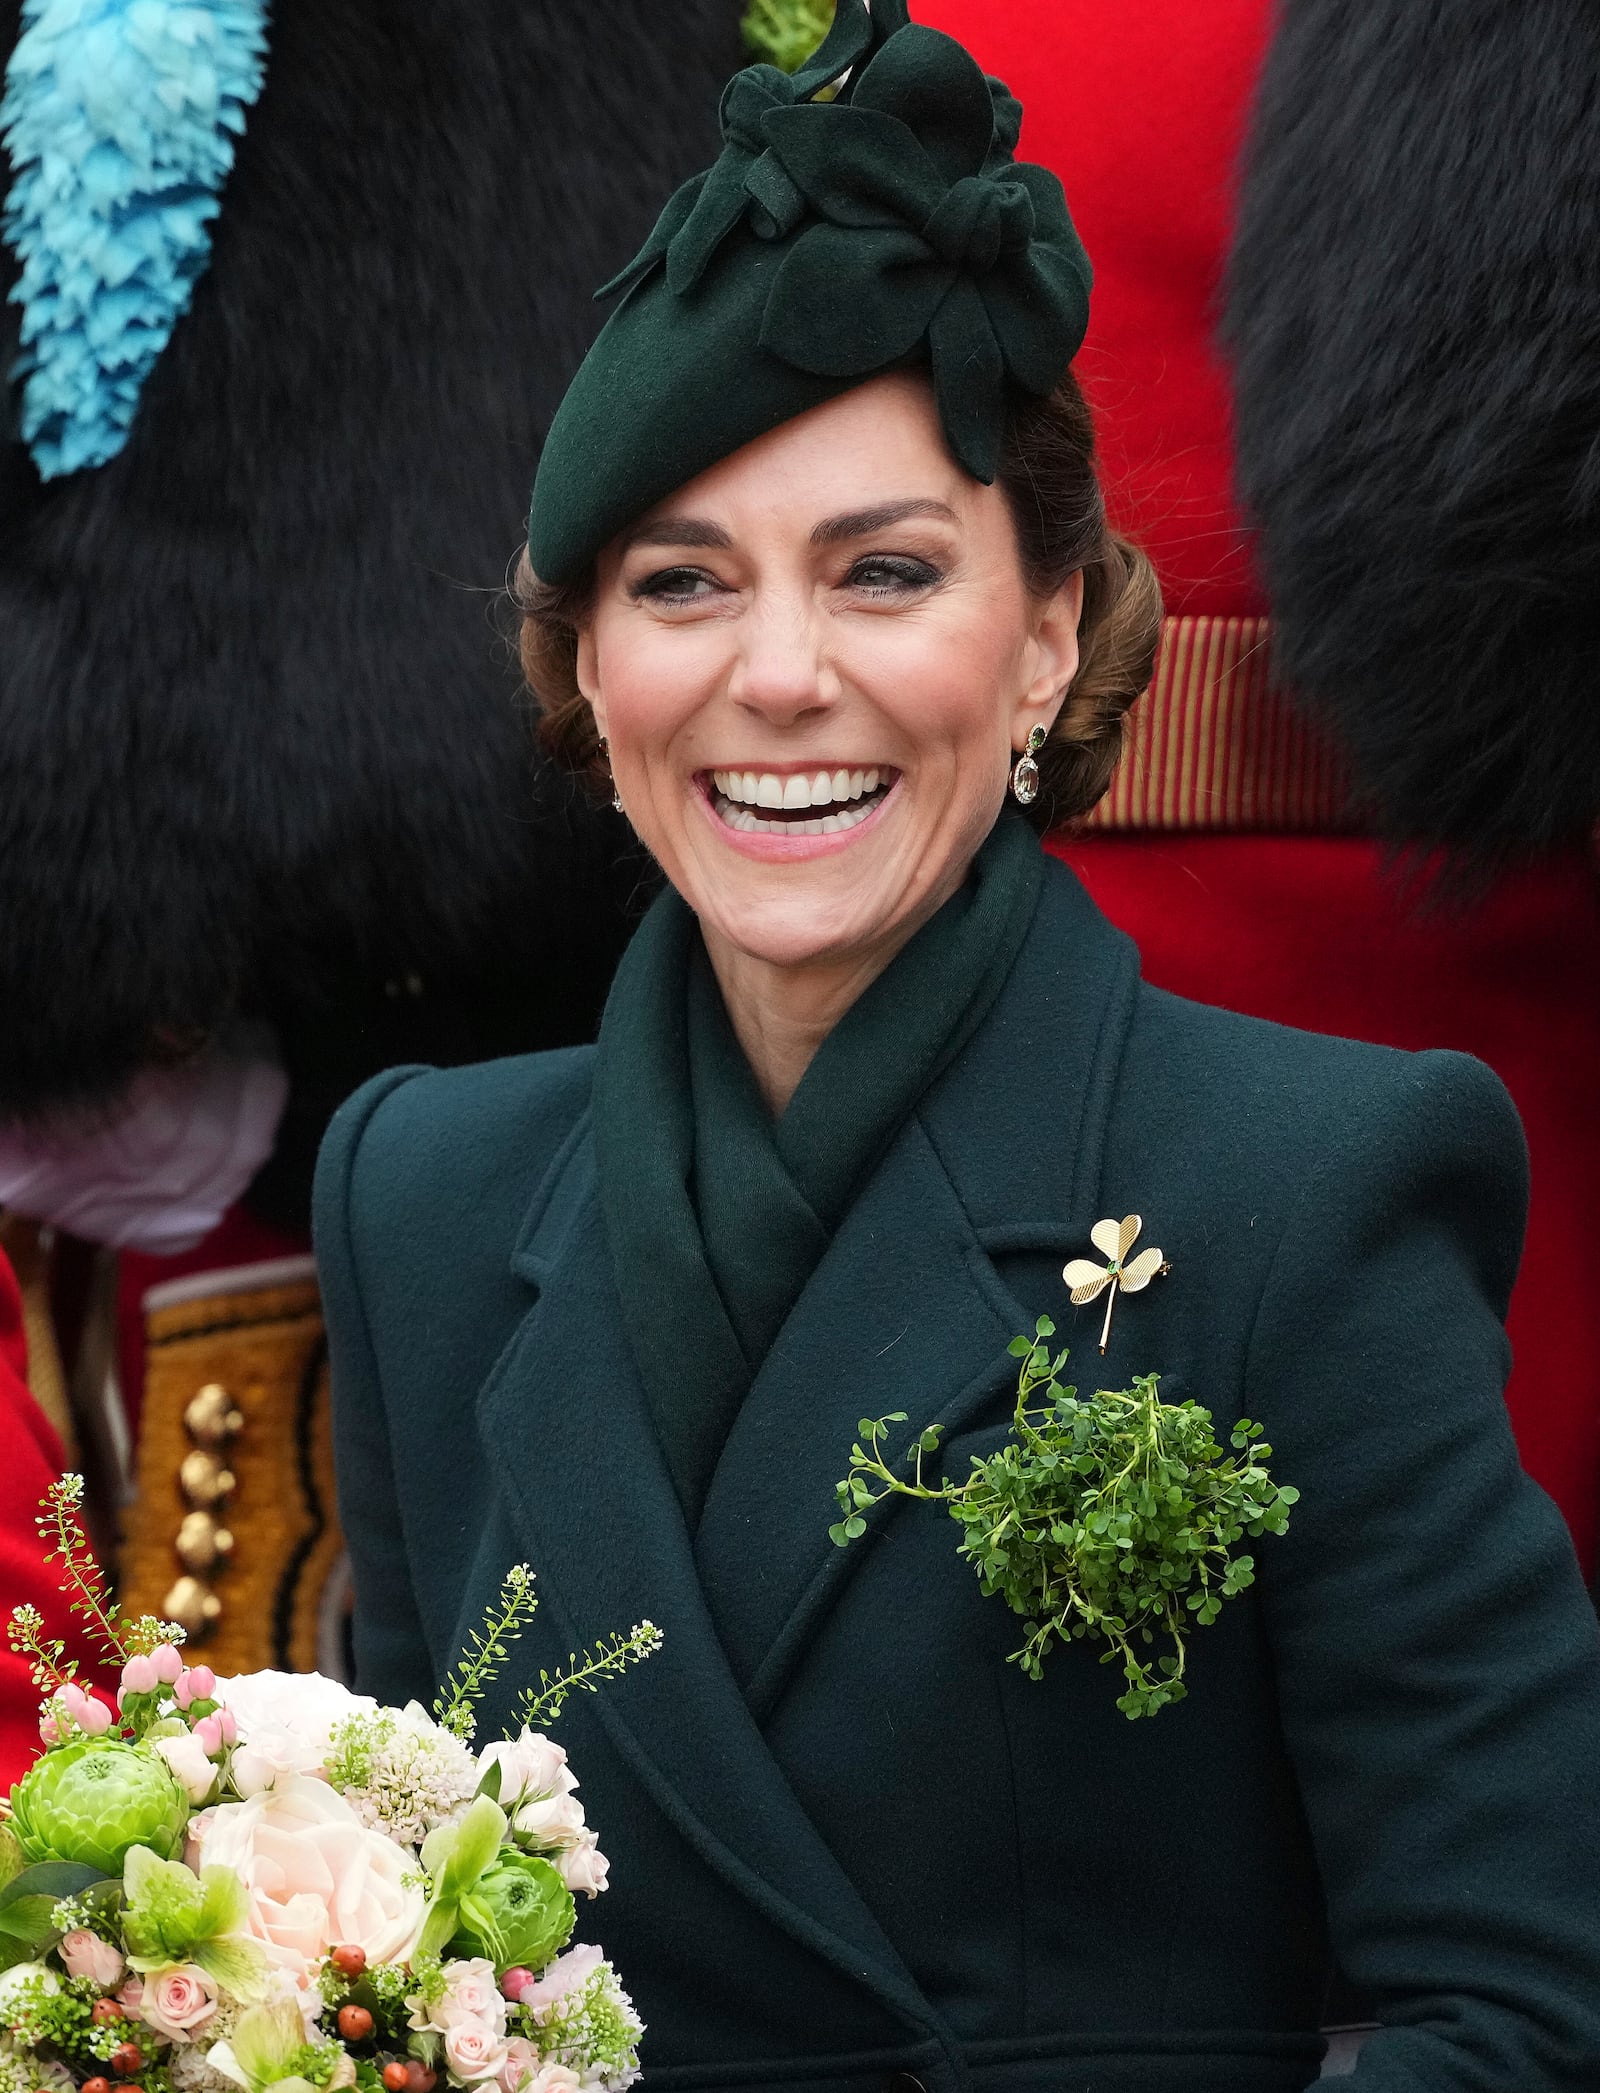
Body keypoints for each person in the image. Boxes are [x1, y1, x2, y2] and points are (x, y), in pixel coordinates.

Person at [315, 5, 1600, 2086]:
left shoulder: (1317, 1187)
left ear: (1049, 639)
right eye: (679, 584)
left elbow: (1520, 2022)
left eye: (883, 572)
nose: (780, 675)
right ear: (583, 677)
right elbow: (401, 1972)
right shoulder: (420, 1197)